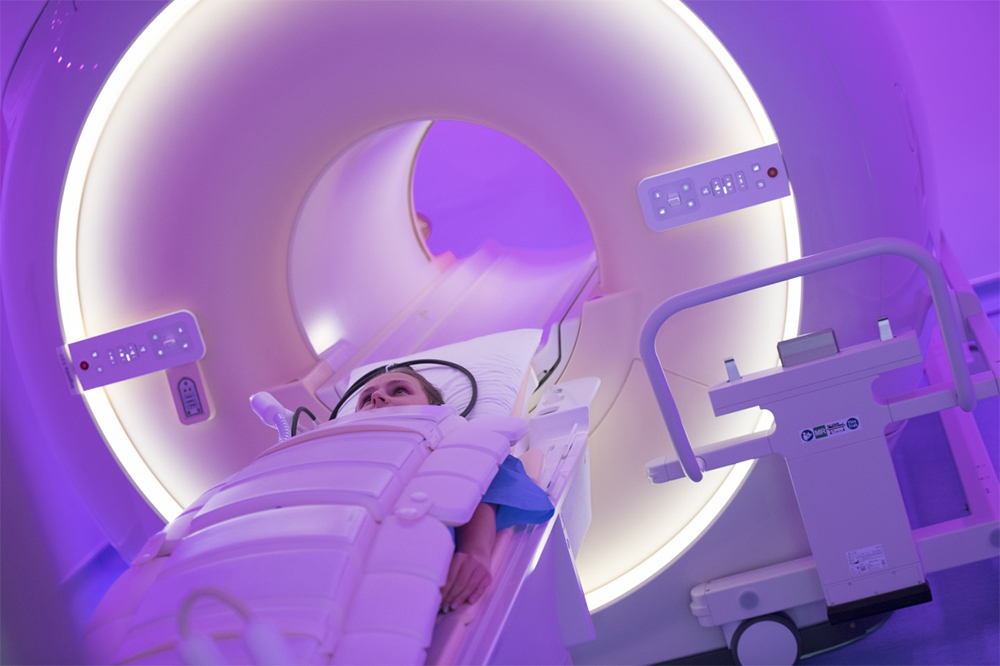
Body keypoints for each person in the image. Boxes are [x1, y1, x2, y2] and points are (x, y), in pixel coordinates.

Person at [354, 367, 554, 613]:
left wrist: (475, 551)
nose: (377, 397)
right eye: (366, 399)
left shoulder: (455, 442)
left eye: (399, 390)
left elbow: (487, 482)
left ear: (434, 409)